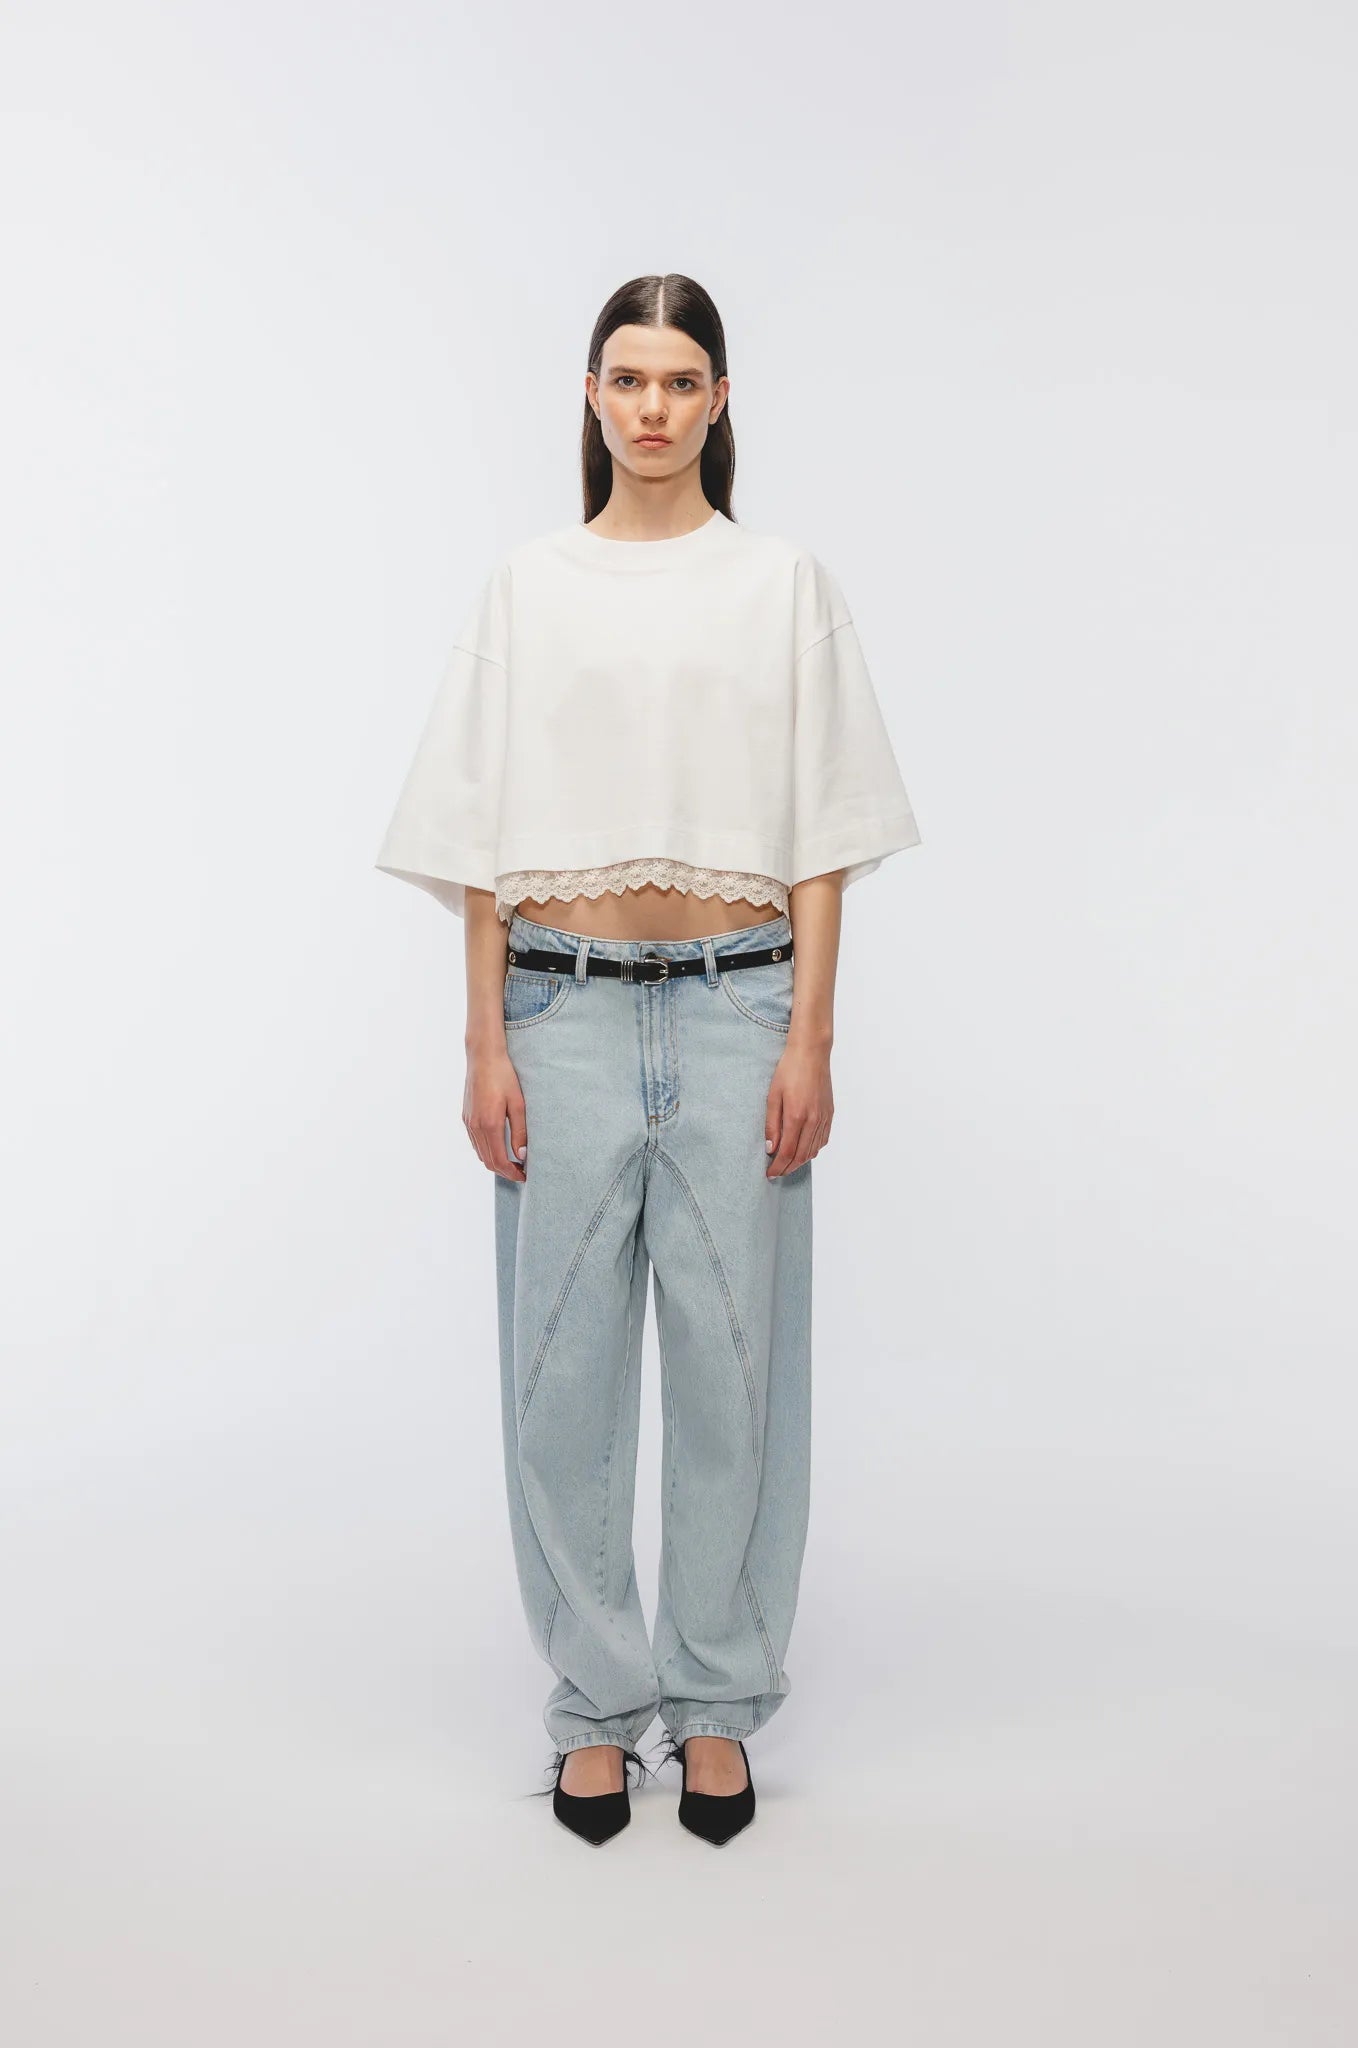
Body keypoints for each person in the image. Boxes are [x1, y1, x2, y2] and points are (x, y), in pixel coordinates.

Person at [374, 272, 922, 1846]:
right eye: (628, 378)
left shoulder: (782, 585)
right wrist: (482, 1040)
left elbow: (824, 831)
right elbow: (475, 835)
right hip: (562, 1011)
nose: (654, 407)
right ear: (592, 396)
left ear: (719, 401)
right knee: (560, 1377)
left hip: (742, 1008)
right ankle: (597, 1708)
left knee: (737, 1372)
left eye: (682, 380)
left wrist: (811, 1035)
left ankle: (718, 1697)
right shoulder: (527, 589)